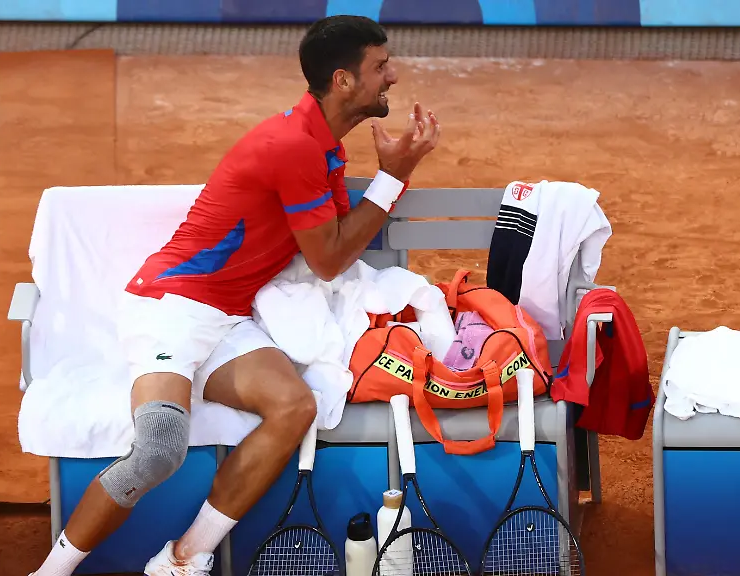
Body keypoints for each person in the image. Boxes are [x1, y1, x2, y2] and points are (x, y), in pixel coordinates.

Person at [27, 14, 441, 576]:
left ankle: (182, 560)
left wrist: (390, 174)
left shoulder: (324, 150)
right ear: (343, 80)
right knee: (158, 449)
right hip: (170, 309)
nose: (391, 76)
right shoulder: (293, 146)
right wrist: (395, 176)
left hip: (225, 316)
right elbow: (328, 259)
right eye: (380, 66)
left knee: (295, 407)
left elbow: (337, 246)